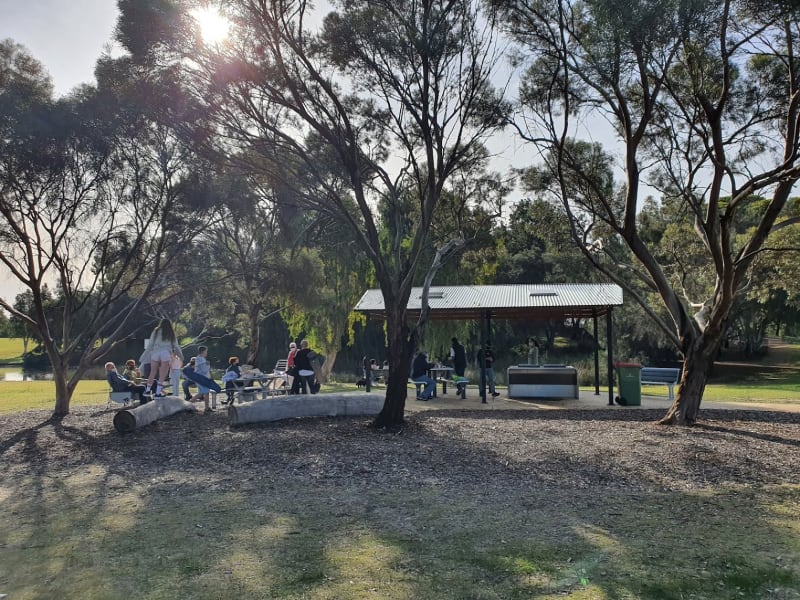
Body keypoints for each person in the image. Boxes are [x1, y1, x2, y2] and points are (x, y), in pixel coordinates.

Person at [144, 318, 183, 397]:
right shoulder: (171, 332)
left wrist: (147, 353)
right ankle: (158, 393)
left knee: (152, 372)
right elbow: (176, 346)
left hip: (155, 353)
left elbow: (151, 343)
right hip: (165, 353)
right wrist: (181, 356)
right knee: (162, 375)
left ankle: (147, 391)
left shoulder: (156, 331)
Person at [189, 346, 215, 413]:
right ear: (203, 352)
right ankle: (187, 404)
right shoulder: (201, 359)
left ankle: (207, 407)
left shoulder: (199, 358)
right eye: (206, 351)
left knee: (206, 392)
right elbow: (204, 370)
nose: (207, 353)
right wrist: (208, 364)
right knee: (202, 393)